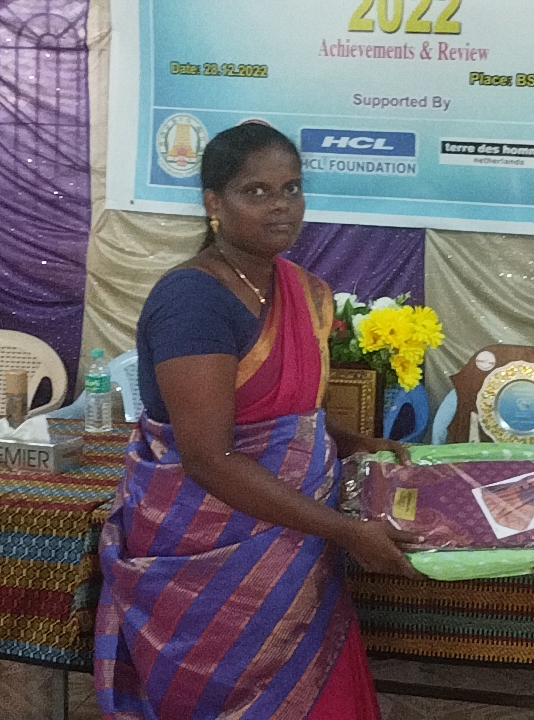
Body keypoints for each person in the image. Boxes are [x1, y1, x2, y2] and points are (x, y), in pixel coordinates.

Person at [94, 123, 419, 720]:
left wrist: (355, 442)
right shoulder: (193, 300)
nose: (281, 206)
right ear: (214, 203)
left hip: (293, 544)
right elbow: (208, 457)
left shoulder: (303, 291)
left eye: (291, 189)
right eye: (257, 191)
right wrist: (345, 531)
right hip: (209, 556)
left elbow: (291, 415)